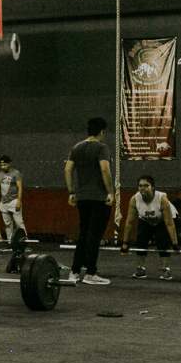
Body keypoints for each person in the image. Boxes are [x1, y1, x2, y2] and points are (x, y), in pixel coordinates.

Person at [64, 117, 114, 285]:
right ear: (101, 132)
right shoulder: (101, 147)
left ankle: (74, 271)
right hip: (98, 198)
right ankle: (90, 273)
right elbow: (105, 169)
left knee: (84, 234)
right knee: (94, 236)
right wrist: (110, 192)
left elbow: (68, 169)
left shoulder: (76, 147)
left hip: (82, 197)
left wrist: (72, 192)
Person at [120, 175, 179, 280]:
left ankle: (166, 270)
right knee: (141, 239)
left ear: (152, 187)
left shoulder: (162, 199)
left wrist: (175, 244)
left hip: (164, 220)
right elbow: (129, 222)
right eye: (140, 186)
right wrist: (125, 243)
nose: (143, 188)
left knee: (162, 240)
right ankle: (141, 269)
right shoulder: (134, 199)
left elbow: (169, 223)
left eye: (146, 185)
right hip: (146, 220)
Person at [0, 156, 26, 244]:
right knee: (7, 224)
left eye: (4, 165)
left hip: (14, 201)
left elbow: (20, 188)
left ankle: (24, 243)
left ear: (9, 164)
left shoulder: (16, 173)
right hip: (4, 202)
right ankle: (10, 243)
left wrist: (19, 202)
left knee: (19, 223)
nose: (3, 167)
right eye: (1, 165)